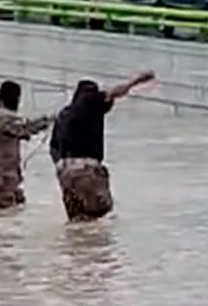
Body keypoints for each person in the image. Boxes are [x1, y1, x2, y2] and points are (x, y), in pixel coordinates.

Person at [48, 70, 155, 221]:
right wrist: (137, 81)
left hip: (64, 172)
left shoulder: (64, 114)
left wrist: (66, 169)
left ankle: (74, 244)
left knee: (78, 221)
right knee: (101, 216)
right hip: (86, 170)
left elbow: (53, 149)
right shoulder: (89, 100)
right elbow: (114, 92)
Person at [0, 80, 54, 209]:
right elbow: (27, 127)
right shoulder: (2, 117)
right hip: (0, 175)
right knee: (8, 212)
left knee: (15, 209)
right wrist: (50, 120)